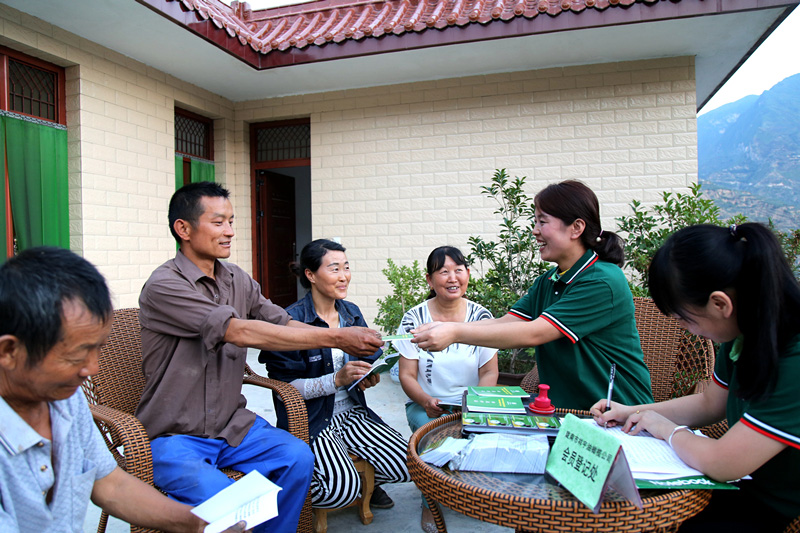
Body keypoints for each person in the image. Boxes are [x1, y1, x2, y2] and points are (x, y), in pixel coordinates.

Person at [136, 182, 384, 532]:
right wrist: (338, 338)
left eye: (231, 221)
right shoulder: (165, 285)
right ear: (184, 229)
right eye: (218, 222)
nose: (229, 231)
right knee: (230, 503)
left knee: (298, 457)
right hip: (174, 436)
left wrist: (344, 338)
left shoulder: (237, 278)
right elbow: (237, 331)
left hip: (232, 426)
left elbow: (282, 322)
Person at [0, 247, 245, 533]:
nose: (92, 369)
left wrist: (198, 523)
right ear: (8, 351)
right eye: (76, 355)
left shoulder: (65, 400)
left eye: (98, 349)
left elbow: (111, 485)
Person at [591, 223, 800, 532]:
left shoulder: (793, 359)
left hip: (778, 510)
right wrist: (631, 412)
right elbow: (709, 403)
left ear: (720, 304)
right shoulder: (746, 335)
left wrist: (667, 430)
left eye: (685, 319)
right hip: (746, 489)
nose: (686, 330)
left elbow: (723, 463)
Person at [411, 181, 653, 410]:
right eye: (535, 221)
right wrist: (443, 328)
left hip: (618, 415)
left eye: (542, 222)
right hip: (566, 413)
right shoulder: (549, 281)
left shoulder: (601, 280)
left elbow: (534, 333)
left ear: (576, 228)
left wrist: (454, 333)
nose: (535, 231)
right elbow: (506, 323)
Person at [262, 239, 410, 513]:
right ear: (310, 275)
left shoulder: (351, 313)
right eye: (334, 269)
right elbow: (285, 390)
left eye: (346, 267)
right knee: (340, 491)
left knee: (409, 464)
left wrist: (366, 375)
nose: (344, 276)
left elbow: (367, 357)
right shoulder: (290, 321)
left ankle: (364, 479)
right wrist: (336, 380)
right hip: (313, 419)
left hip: (352, 414)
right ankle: (291, 486)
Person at [392, 246, 498, 533]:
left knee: (481, 441)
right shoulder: (414, 319)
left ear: (467, 274)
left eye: (458, 270)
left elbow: (489, 372)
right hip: (427, 405)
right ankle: (430, 501)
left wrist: (476, 404)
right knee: (433, 441)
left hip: (472, 404)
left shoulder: (481, 316)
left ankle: (470, 493)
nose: (453, 278)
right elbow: (407, 375)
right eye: (443, 272)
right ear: (429, 279)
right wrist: (425, 400)